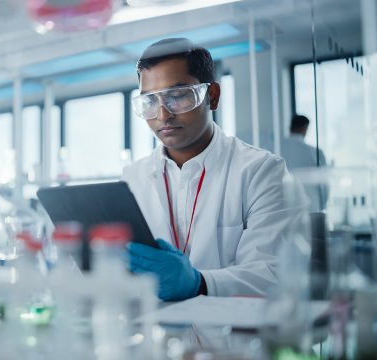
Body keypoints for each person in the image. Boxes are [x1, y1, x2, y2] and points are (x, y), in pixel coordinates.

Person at [124, 38, 297, 301]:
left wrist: (199, 283)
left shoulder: (262, 171)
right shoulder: (132, 178)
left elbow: (273, 274)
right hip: (158, 332)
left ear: (212, 96)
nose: (162, 114)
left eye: (178, 95)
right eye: (149, 100)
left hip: (233, 335)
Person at [280, 114, 328, 211]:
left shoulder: (275, 149)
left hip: (283, 208)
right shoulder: (316, 152)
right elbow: (324, 185)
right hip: (311, 207)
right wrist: (322, 205)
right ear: (305, 129)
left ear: (290, 128)